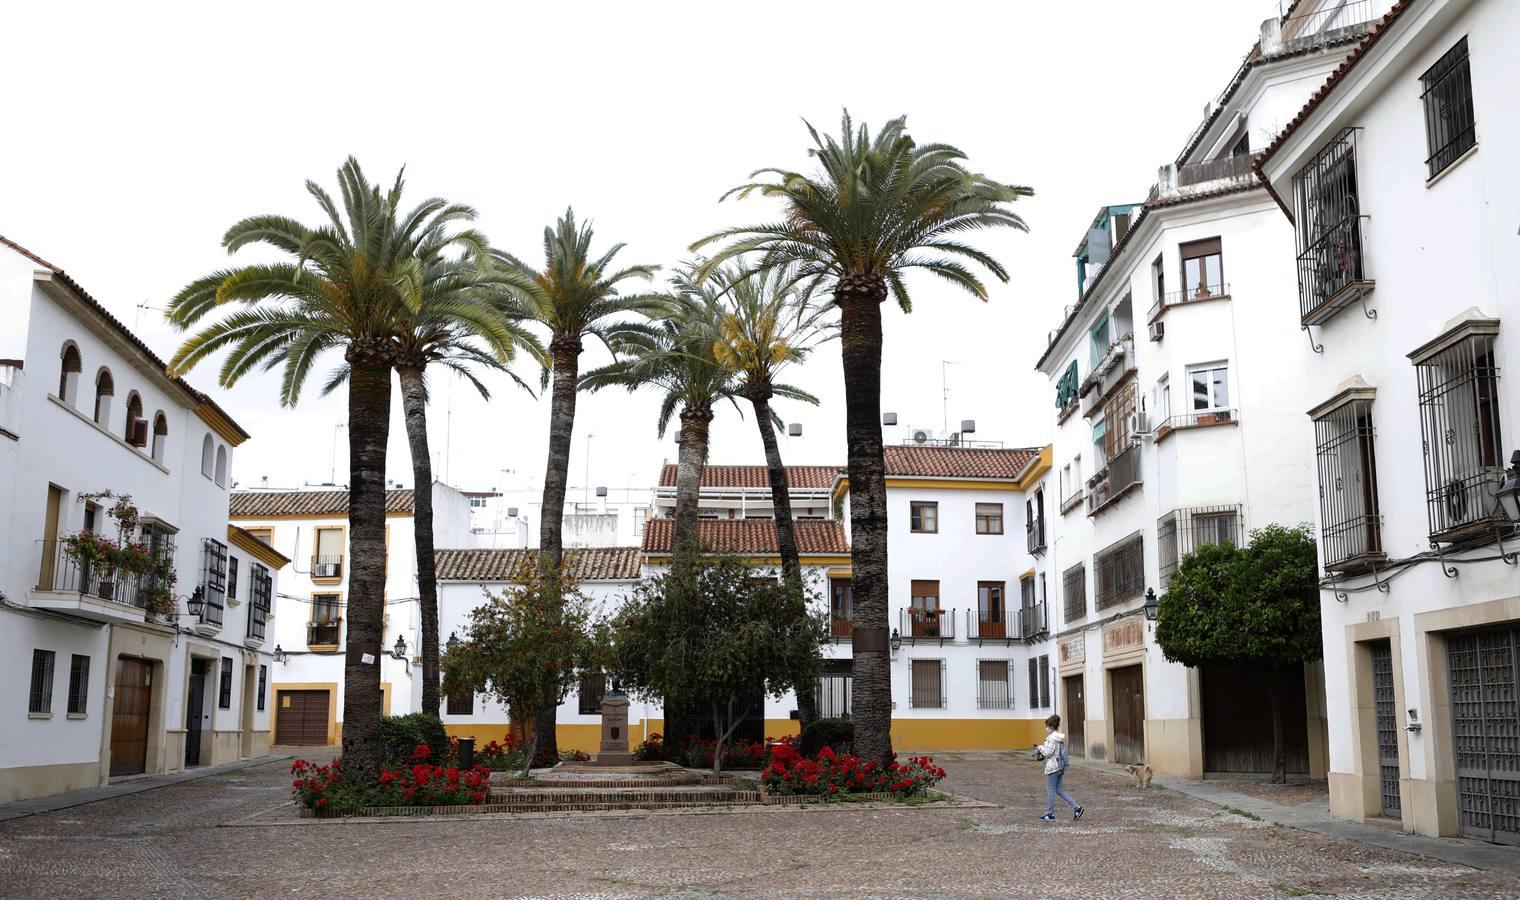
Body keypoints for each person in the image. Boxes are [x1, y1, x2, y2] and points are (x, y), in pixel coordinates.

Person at [1034, 714, 1083, 821]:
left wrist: (1039, 748)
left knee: (1051, 790)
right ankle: (1077, 808)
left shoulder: (1052, 738)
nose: (1046, 728)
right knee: (1059, 790)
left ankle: (1050, 813)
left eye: (1047, 726)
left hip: (1053, 767)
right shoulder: (1058, 737)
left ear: (1051, 726)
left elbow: (1048, 753)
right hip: (1060, 766)